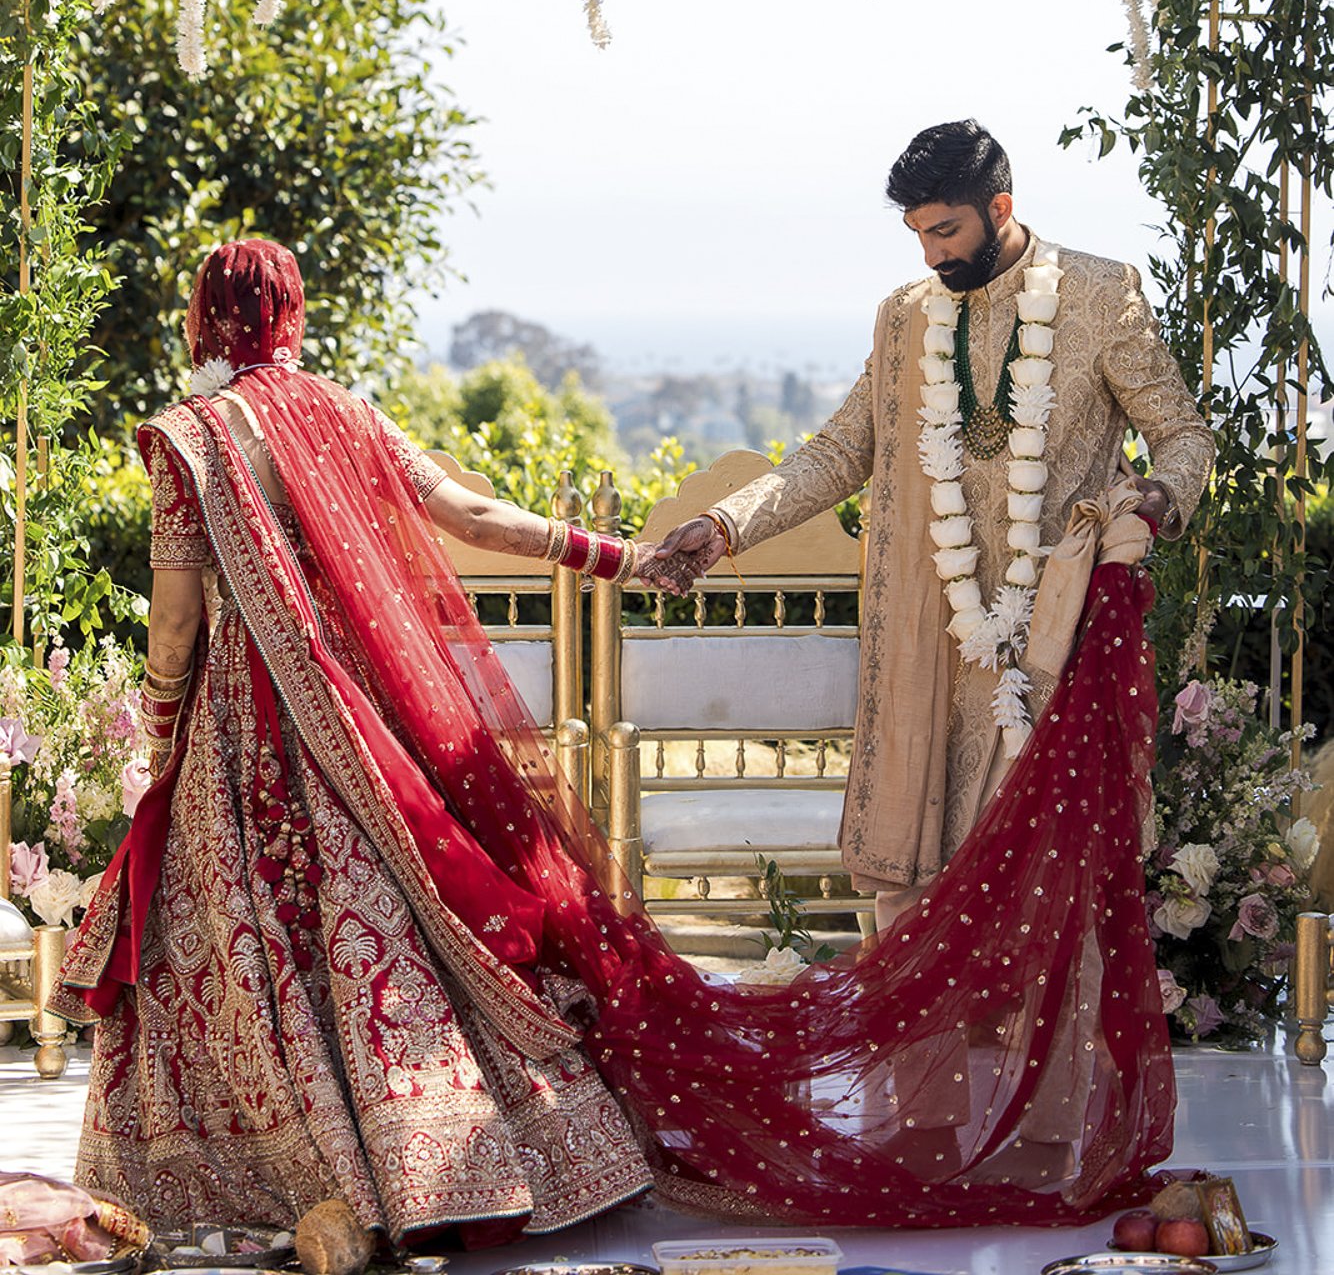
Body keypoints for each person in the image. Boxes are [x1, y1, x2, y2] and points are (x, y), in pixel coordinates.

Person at [55, 232, 1183, 1238]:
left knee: (249, 931)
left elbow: (178, 618)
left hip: (248, 722)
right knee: (394, 924)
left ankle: (280, 1167)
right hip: (362, 715)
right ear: (291, 314)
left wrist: (163, 729)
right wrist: (616, 555)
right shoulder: (343, 413)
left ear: (203, 319)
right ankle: (453, 1156)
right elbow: (472, 515)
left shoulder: (190, 438)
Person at [644, 120, 1215, 932]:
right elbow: (840, 452)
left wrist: (1162, 495)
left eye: (945, 230)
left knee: (1047, 873)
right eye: (916, 233)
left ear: (1001, 207)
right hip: (931, 636)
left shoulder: (1099, 293)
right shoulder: (905, 318)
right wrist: (724, 523)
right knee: (922, 864)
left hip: (1054, 628)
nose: (929, 254)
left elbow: (1184, 433)